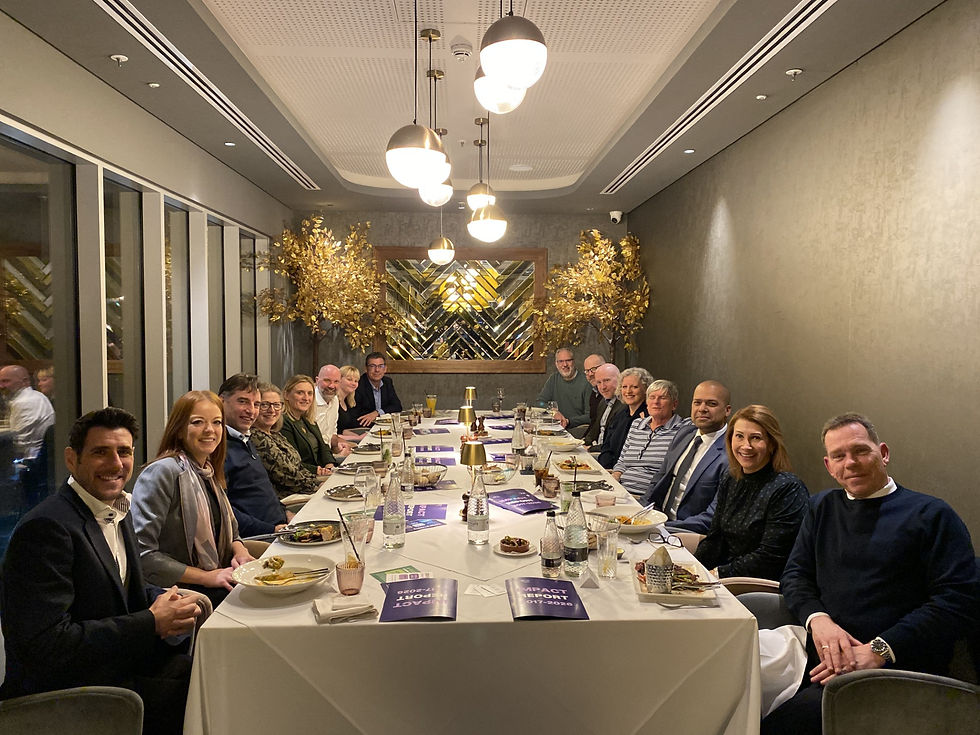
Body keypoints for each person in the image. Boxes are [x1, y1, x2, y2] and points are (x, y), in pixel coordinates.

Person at [762, 413, 978, 735]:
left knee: (781, 725)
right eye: (839, 456)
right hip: (816, 651)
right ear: (828, 465)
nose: (850, 463)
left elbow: (957, 601)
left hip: (893, 666)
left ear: (884, 453)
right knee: (727, 686)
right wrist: (819, 620)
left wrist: (879, 649)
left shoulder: (932, 515)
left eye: (861, 451)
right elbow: (795, 575)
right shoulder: (821, 507)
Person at [0, 408, 199, 735]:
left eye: (124, 452)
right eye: (100, 452)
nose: (116, 464)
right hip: (72, 694)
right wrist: (151, 622)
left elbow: (119, 591)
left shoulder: (118, 508)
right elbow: (45, 646)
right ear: (71, 459)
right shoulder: (46, 529)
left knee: (215, 669)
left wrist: (168, 599)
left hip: (115, 666)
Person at [132, 390, 253, 607]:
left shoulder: (207, 469)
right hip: (184, 590)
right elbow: (143, 555)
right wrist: (207, 577)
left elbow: (233, 533)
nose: (209, 430)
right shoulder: (163, 472)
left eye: (217, 422)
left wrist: (241, 552)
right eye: (197, 422)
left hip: (221, 576)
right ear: (179, 430)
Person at [694, 405, 808, 579]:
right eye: (739, 436)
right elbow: (716, 538)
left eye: (756, 438)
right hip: (723, 574)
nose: (746, 446)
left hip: (755, 584)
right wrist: (691, 569)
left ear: (771, 444)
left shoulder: (788, 488)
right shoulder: (731, 477)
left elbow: (770, 558)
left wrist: (715, 575)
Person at [642, 380, 732, 533]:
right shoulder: (684, 434)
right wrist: (641, 512)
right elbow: (659, 478)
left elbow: (712, 516)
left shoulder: (731, 452)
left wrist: (663, 528)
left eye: (711, 404)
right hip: (657, 520)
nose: (702, 409)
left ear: (727, 410)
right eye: (697, 402)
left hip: (687, 532)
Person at [217, 374, 291, 537]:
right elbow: (223, 511)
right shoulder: (218, 448)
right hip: (261, 539)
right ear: (221, 401)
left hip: (280, 527)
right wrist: (271, 530)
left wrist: (287, 513)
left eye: (256, 404)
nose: (251, 410)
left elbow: (263, 489)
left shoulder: (243, 439)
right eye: (242, 401)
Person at [611, 379, 689, 496]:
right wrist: (614, 478)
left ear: (674, 404)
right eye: (652, 397)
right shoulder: (637, 424)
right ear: (647, 402)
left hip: (646, 496)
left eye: (662, 398)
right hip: (621, 490)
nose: (656, 402)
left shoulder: (682, 430)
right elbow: (622, 461)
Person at [250, 383, 322, 500]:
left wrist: (318, 483)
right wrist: (317, 486)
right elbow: (287, 475)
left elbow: (298, 467)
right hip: (287, 500)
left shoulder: (275, 434)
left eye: (276, 405)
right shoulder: (256, 437)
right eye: (264, 405)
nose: (271, 410)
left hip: (304, 491)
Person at [281, 374, 337, 475]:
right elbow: (291, 461)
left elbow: (323, 446)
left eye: (310, 393)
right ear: (286, 395)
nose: (306, 398)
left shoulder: (308, 419)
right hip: (305, 476)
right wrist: (318, 470)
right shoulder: (283, 422)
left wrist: (329, 464)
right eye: (300, 393)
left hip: (322, 471)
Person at [597, 367, 652, 469]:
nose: (628, 391)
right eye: (624, 387)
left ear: (645, 389)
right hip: (609, 469)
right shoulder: (620, 414)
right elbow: (607, 445)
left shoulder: (649, 417)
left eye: (634, 387)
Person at [0, 363, 55, 459]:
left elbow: (20, 444)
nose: (1, 386)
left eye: (6, 381)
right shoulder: (25, 398)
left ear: (25, 381)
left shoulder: (26, 402)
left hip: (30, 462)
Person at [536, 347, 592, 430]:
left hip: (577, 430)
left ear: (574, 362)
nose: (565, 365)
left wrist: (568, 421)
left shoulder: (586, 382)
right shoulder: (553, 379)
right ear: (556, 364)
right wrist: (553, 412)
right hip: (555, 428)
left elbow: (590, 416)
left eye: (568, 360)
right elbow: (539, 403)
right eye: (561, 361)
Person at [352, 352, 402, 426]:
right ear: (366, 369)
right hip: (364, 427)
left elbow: (397, 406)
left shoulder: (387, 382)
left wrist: (377, 413)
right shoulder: (359, 385)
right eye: (372, 366)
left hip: (384, 426)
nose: (377, 370)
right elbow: (358, 416)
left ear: (385, 369)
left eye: (380, 366)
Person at [313, 363, 350, 457]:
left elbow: (333, 432)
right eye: (327, 380)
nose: (332, 386)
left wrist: (337, 448)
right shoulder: (309, 402)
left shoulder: (335, 400)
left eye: (336, 381)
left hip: (328, 454)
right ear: (317, 380)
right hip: (316, 457)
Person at [583, 362, 622, 450]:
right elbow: (594, 431)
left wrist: (590, 449)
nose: (602, 387)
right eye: (599, 382)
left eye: (607, 380)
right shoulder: (602, 403)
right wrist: (581, 443)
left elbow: (613, 444)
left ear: (620, 379)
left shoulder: (624, 406)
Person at [337, 364, 363, 440]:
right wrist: (358, 438)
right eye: (349, 379)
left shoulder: (348, 402)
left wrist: (358, 437)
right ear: (339, 379)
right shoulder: (333, 402)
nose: (353, 383)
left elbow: (342, 430)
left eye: (356, 381)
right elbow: (332, 434)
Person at [582, 353, 607, 429]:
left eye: (593, 369)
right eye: (587, 371)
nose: (590, 374)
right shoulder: (594, 393)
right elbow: (594, 424)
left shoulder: (612, 394)